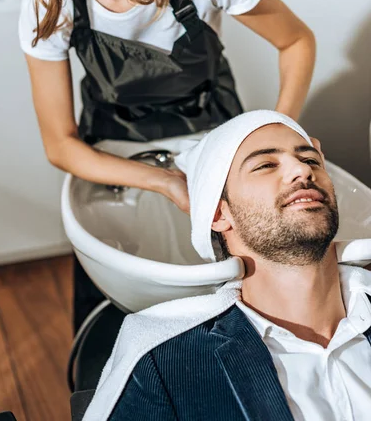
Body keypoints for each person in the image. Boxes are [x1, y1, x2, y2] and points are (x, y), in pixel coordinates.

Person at [5, 0, 315, 331]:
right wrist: (164, 181)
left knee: (234, 301)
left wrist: (283, 139)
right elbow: (60, 145)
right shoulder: (49, 3)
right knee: (126, 296)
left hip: (216, 133)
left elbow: (297, 42)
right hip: (115, 153)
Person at [82, 111, 371, 421]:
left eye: (312, 161)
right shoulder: (166, 364)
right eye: (265, 165)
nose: (302, 169)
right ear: (219, 215)